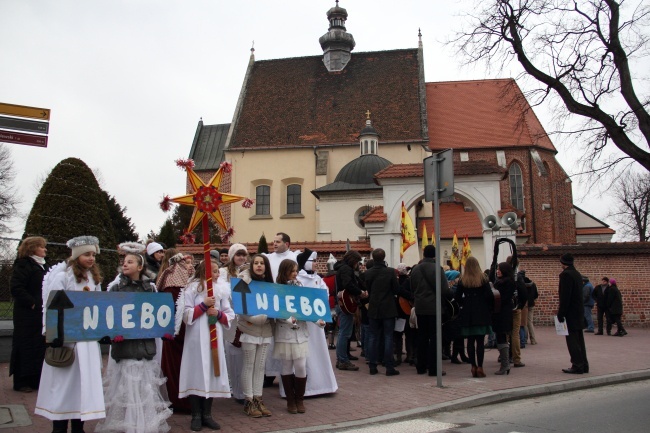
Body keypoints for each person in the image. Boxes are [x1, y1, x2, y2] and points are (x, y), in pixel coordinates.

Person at [35, 236, 105, 433]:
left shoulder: (94, 277)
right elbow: (52, 306)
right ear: (76, 256)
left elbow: (100, 305)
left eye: (93, 254)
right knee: (64, 385)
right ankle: (58, 425)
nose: (91, 258)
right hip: (68, 340)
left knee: (83, 385)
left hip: (88, 340)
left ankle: (78, 426)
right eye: (86, 254)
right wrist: (53, 334)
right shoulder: (63, 277)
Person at [96, 252, 172, 433]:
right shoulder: (116, 289)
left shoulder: (150, 289)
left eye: (130, 262)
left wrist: (163, 330)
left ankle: (144, 424)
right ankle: (127, 424)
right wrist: (114, 333)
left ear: (140, 267)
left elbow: (156, 314)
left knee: (144, 388)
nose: (125, 264)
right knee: (126, 389)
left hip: (144, 347)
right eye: (124, 261)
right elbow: (109, 315)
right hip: (125, 348)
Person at [177, 258, 235, 431]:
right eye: (214, 271)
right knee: (196, 372)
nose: (217, 274)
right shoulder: (192, 288)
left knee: (211, 371)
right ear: (204, 271)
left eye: (218, 271)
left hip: (213, 336)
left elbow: (229, 314)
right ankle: (196, 415)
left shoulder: (222, 290)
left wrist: (217, 313)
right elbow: (186, 314)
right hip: (195, 338)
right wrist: (203, 305)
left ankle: (207, 414)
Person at [274, 259, 326, 414]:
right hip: (285, 332)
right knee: (286, 366)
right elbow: (277, 309)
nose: (295, 274)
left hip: (300, 332)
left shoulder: (300, 287)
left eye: (296, 270)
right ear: (285, 272)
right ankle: (291, 400)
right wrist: (288, 319)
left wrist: (318, 321)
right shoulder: (278, 289)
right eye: (292, 271)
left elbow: (306, 308)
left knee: (301, 365)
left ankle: (300, 399)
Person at [293, 248, 338, 395]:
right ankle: (304, 388)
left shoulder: (318, 278)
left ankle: (321, 385)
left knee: (318, 351)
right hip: (303, 323)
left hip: (316, 323)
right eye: (314, 261)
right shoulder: (297, 279)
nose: (316, 264)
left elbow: (324, 292)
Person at [236, 253, 274, 418]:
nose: (259, 265)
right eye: (256, 263)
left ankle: (258, 398)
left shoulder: (269, 284)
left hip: (265, 330)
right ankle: (248, 400)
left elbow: (274, 304)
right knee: (249, 365)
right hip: (249, 329)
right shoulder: (243, 281)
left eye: (262, 263)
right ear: (252, 265)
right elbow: (239, 305)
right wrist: (253, 319)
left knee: (260, 367)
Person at [10, 236, 49, 393]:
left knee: (38, 345)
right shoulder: (24, 264)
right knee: (25, 345)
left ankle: (35, 379)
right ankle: (21, 381)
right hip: (26, 313)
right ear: (33, 248)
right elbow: (17, 287)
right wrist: (31, 302)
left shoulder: (43, 266)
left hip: (40, 313)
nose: (45, 249)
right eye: (42, 247)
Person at [157, 252, 195, 413]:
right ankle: (179, 400)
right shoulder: (172, 285)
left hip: (186, 331)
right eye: (187, 263)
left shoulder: (188, 283)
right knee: (176, 366)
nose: (191, 266)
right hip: (176, 333)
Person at [410, 245, 452, 377]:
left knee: (422, 336)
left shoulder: (415, 269)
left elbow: (412, 288)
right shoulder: (437, 268)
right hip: (434, 307)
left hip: (420, 307)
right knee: (435, 338)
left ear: (424, 254)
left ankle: (420, 366)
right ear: (434, 255)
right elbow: (444, 290)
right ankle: (433, 369)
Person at [454, 257, 494, 378]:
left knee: (470, 342)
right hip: (481, 312)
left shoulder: (462, 279)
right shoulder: (483, 278)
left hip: (468, 312)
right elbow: (490, 296)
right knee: (480, 342)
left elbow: (457, 297)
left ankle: (473, 366)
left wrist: (464, 304)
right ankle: (480, 367)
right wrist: (488, 308)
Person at [364, 248, 401, 376]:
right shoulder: (390, 272)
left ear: (373, 258)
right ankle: (389, 367)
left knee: (373, 337)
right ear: (384, 257)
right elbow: (396, 289)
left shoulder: (368, 273)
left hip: (374, 308)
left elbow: (367, 289)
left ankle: (372, 366)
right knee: (388, 337)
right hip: (388, 308)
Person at [333, 250, 367, 371]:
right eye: (357, 262)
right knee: (345, 333)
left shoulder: (341, 268)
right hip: (345, 303)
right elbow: (348, 284)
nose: (358, 264)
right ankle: (342, 360)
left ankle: (341, 359)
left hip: (342, 303)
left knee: (344, 332)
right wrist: (360, 292)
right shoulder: (347, 269)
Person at [558, 254, 589, 374]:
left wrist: (561, 313)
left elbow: (565, 297)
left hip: (570, 312)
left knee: (572, 340)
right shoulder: (576, 274)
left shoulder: (566, 275)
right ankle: (584, 364)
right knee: (579, 339)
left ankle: (577, 365)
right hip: (578, 311)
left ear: (563, 262)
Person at [492, 262, 515, 375]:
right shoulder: (503, 282)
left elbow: (502, 298)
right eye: (497, 269)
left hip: (502, 313)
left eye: (500, 269)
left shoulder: (506, 283)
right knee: (501, 336)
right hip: (501, 312)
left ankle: (505, 364)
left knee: (501, 337)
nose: (498, 271)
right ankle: (505, 363)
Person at [525, 274, 539, 345]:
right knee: (529, 322)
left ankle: (526, 339)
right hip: (531, 304)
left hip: (524, 305)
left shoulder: (522, 284)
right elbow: (536, 295)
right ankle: (532, 339)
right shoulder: (533, 284)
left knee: (524, 322)